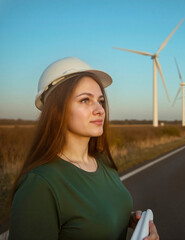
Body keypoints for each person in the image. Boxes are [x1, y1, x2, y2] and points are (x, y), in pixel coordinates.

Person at [9, 57, 159, 240]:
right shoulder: (40, 185)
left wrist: (130, 221)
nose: (100, 110)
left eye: (100, 101)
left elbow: (87, 221)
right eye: (85, 100)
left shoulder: (102, 161)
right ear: (57, 110)